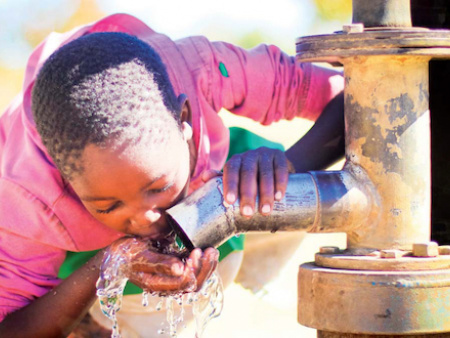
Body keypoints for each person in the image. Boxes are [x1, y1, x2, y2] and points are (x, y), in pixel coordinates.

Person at [0, 13, 344, 337]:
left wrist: (285, 167)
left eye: (158, 187)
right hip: (67, 246)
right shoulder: (30, 194)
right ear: (64, 180)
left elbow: (357, 98)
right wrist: (107, 265)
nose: (148, 221)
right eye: (108, 205)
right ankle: (93, 322)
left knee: (242, 175)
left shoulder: (203, 69)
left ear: (184, 119)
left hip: (214, 168)